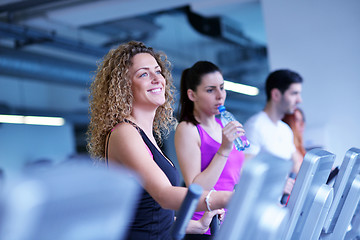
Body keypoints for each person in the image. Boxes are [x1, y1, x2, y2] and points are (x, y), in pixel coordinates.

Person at [87, 41, 231, 240]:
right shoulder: (124, 133)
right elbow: (164, 195)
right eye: (144, 74)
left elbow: (151, 213)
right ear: (124, 87)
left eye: (158, 71)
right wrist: (228, 198)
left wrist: (197, 225)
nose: (157, 79)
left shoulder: (144, 136)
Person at [174, 61, 245, 239]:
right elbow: (196, 189)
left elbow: (236, 176)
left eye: (222, 87)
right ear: (192, 95)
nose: (220, 96)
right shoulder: (188, 129)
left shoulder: (225, 125)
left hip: (231, 223)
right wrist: (224, 149)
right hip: (204, 228)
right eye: (210, 90)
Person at [243, 69, 303, 197]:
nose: (299, 100)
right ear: (276, 95)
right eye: (294, 94)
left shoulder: (285, 129)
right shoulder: (255, 126)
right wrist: (279, 183)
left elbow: (297, 163)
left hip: (277, 202)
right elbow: (244, 172)